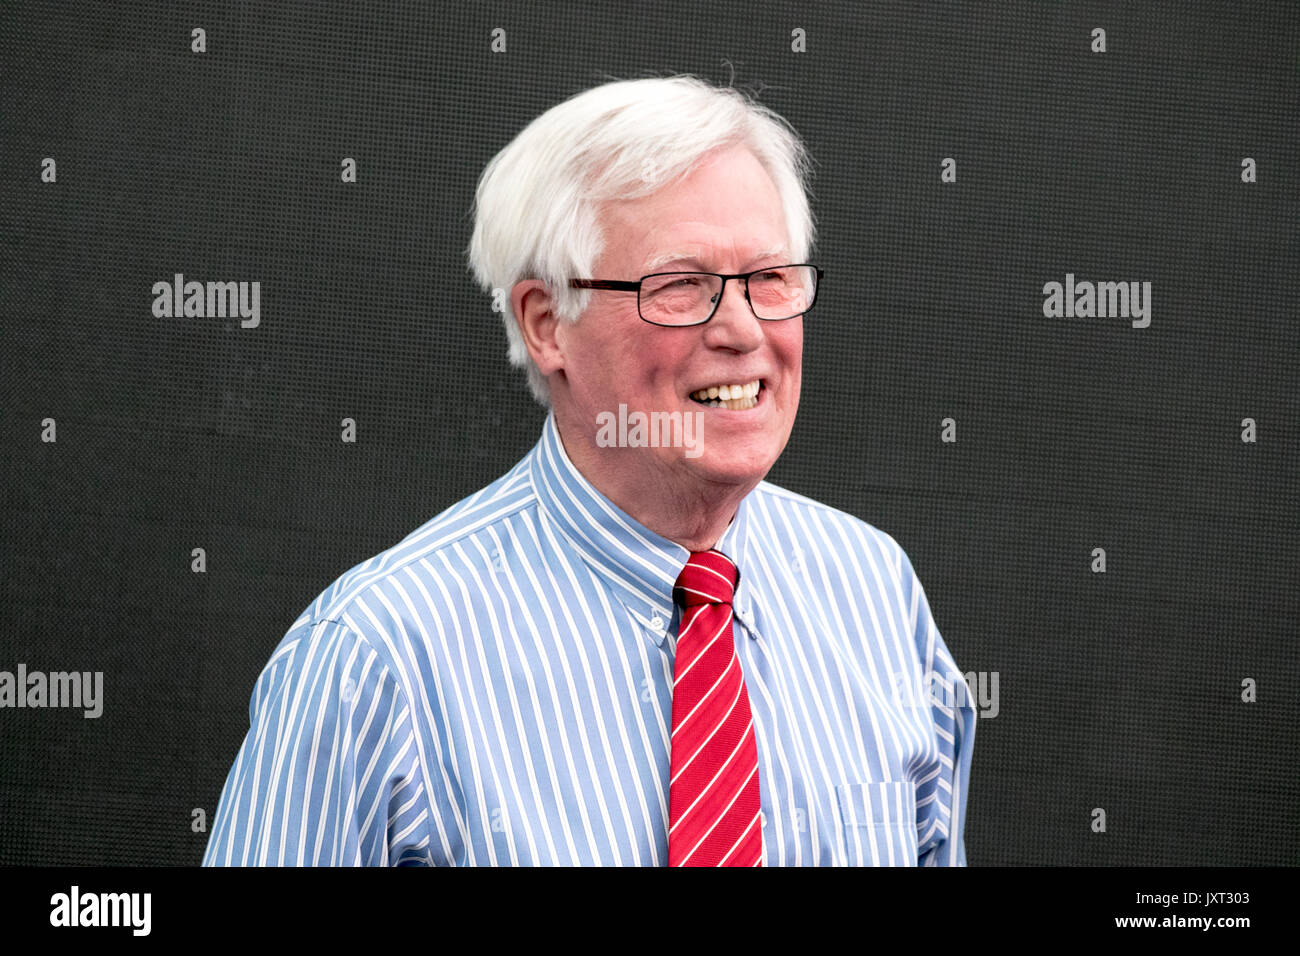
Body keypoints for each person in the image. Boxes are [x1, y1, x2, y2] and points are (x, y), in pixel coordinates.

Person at [202, 74, 975, 867]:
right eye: (682, 287)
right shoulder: (379, 659)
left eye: (769, 279)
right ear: (547, 325)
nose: (744, 330)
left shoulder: (875, 591)